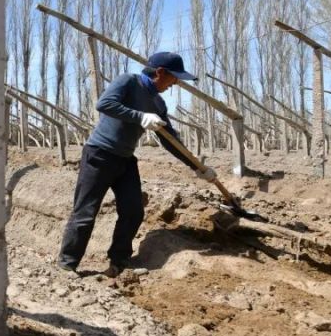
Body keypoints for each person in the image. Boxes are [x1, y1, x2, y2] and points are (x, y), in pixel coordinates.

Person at [57, 52, 217, 277]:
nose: (175, 84)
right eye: (174, 78)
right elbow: (104, 104)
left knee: (133, 212)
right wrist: (140, 116)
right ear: (160, 72)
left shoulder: (158, 104)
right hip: (99, 155)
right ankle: (67, 265)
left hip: (125, 160)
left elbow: (170, 141)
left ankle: (119, 263)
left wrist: (198, 167)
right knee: (86, 212)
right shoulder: (128, 81)